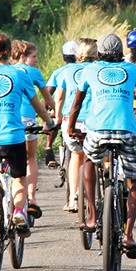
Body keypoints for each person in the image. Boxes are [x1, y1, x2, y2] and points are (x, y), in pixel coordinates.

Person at [67, 33, 136, 257]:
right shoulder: (132, 70)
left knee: (90, 161)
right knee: (134, 182)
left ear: (99, 54)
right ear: (121, 54)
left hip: (97, 132)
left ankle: (92, 216)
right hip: (128, 132)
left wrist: (72, 128)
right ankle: (128, 235)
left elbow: (76, 104)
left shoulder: (90, 70)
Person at [0, 33, 52, 234]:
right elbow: (39, 108)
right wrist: (49, 123)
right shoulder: (20, 75)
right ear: (9, 53)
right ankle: (18, 211)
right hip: (12, 137)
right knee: (18, 176)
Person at [55, 37, 97, 217]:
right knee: (96, 157)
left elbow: (59, 98)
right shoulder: (97, 70)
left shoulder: (66, 70)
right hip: (93, 123)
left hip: (70, 122)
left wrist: (57, 117)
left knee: (76, 156)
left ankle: (73, 198)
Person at [12, 39, 54, 218]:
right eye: (34, 56)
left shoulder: (6, 71)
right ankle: (31, 198)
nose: (36, 60)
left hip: (10, 120)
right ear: (23, 56)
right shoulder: (33, 72)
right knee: (30, 158)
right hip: (28, 119)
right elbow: (47, 99)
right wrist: (53, 115)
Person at [42, 40, 79, 168]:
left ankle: (48, 147)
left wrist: (44, 110)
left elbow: (48, 94)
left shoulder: (59, 72)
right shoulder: (86, 69)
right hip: (82, 110)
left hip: (63, 110)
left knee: (53, 118)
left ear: (64, 57)